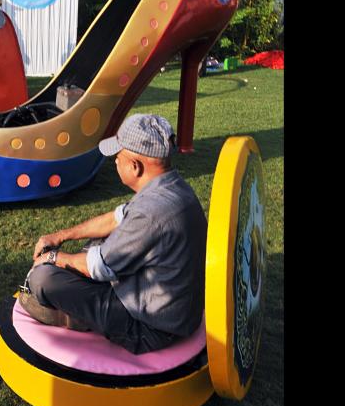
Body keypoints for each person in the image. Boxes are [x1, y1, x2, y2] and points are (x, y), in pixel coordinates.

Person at [19, 114, 207, 355]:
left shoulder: (151, 212)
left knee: (43, 279)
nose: (115, 162)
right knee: (96, 243)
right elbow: (115, 218)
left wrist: (54, 258)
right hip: (173, 310)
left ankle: (77, 318)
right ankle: (83, 308)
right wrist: (61, 235)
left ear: (135, 166)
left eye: (117, 158)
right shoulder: (171, 186)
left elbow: (98, 265)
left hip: (150, 328)